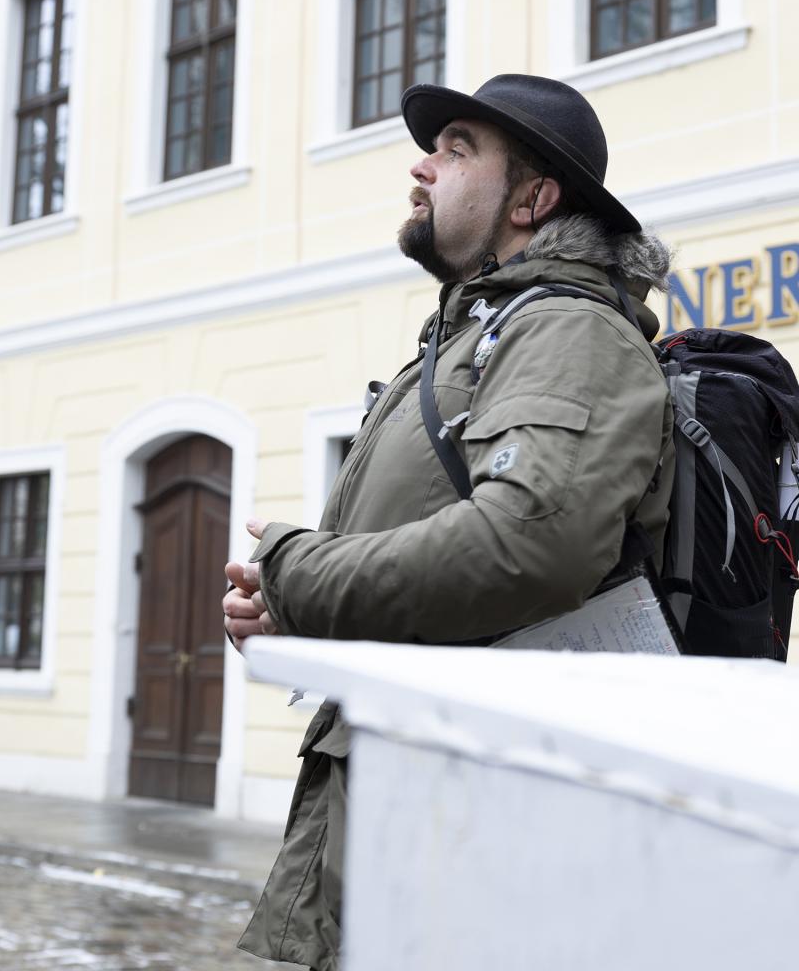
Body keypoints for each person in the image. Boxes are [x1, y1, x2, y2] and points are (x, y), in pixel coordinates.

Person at [223, 74, 675, 971]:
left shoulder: (568, 334)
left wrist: (298, 571)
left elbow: (528, 544)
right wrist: (292, 611)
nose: (422, 167)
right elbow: (426, 578)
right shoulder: (470, 341)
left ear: (532, 201)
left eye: (458, 150)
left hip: (474, 831)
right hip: (401, 806)